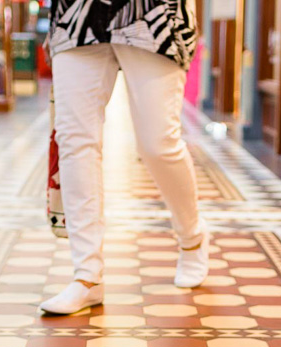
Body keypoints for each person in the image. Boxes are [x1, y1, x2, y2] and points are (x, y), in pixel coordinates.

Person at [39, 0, 209, 315]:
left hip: (153, 11)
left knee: (158, 143)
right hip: (77, 11)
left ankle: (192, 238)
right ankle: (87, 275)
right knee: (75, 141)